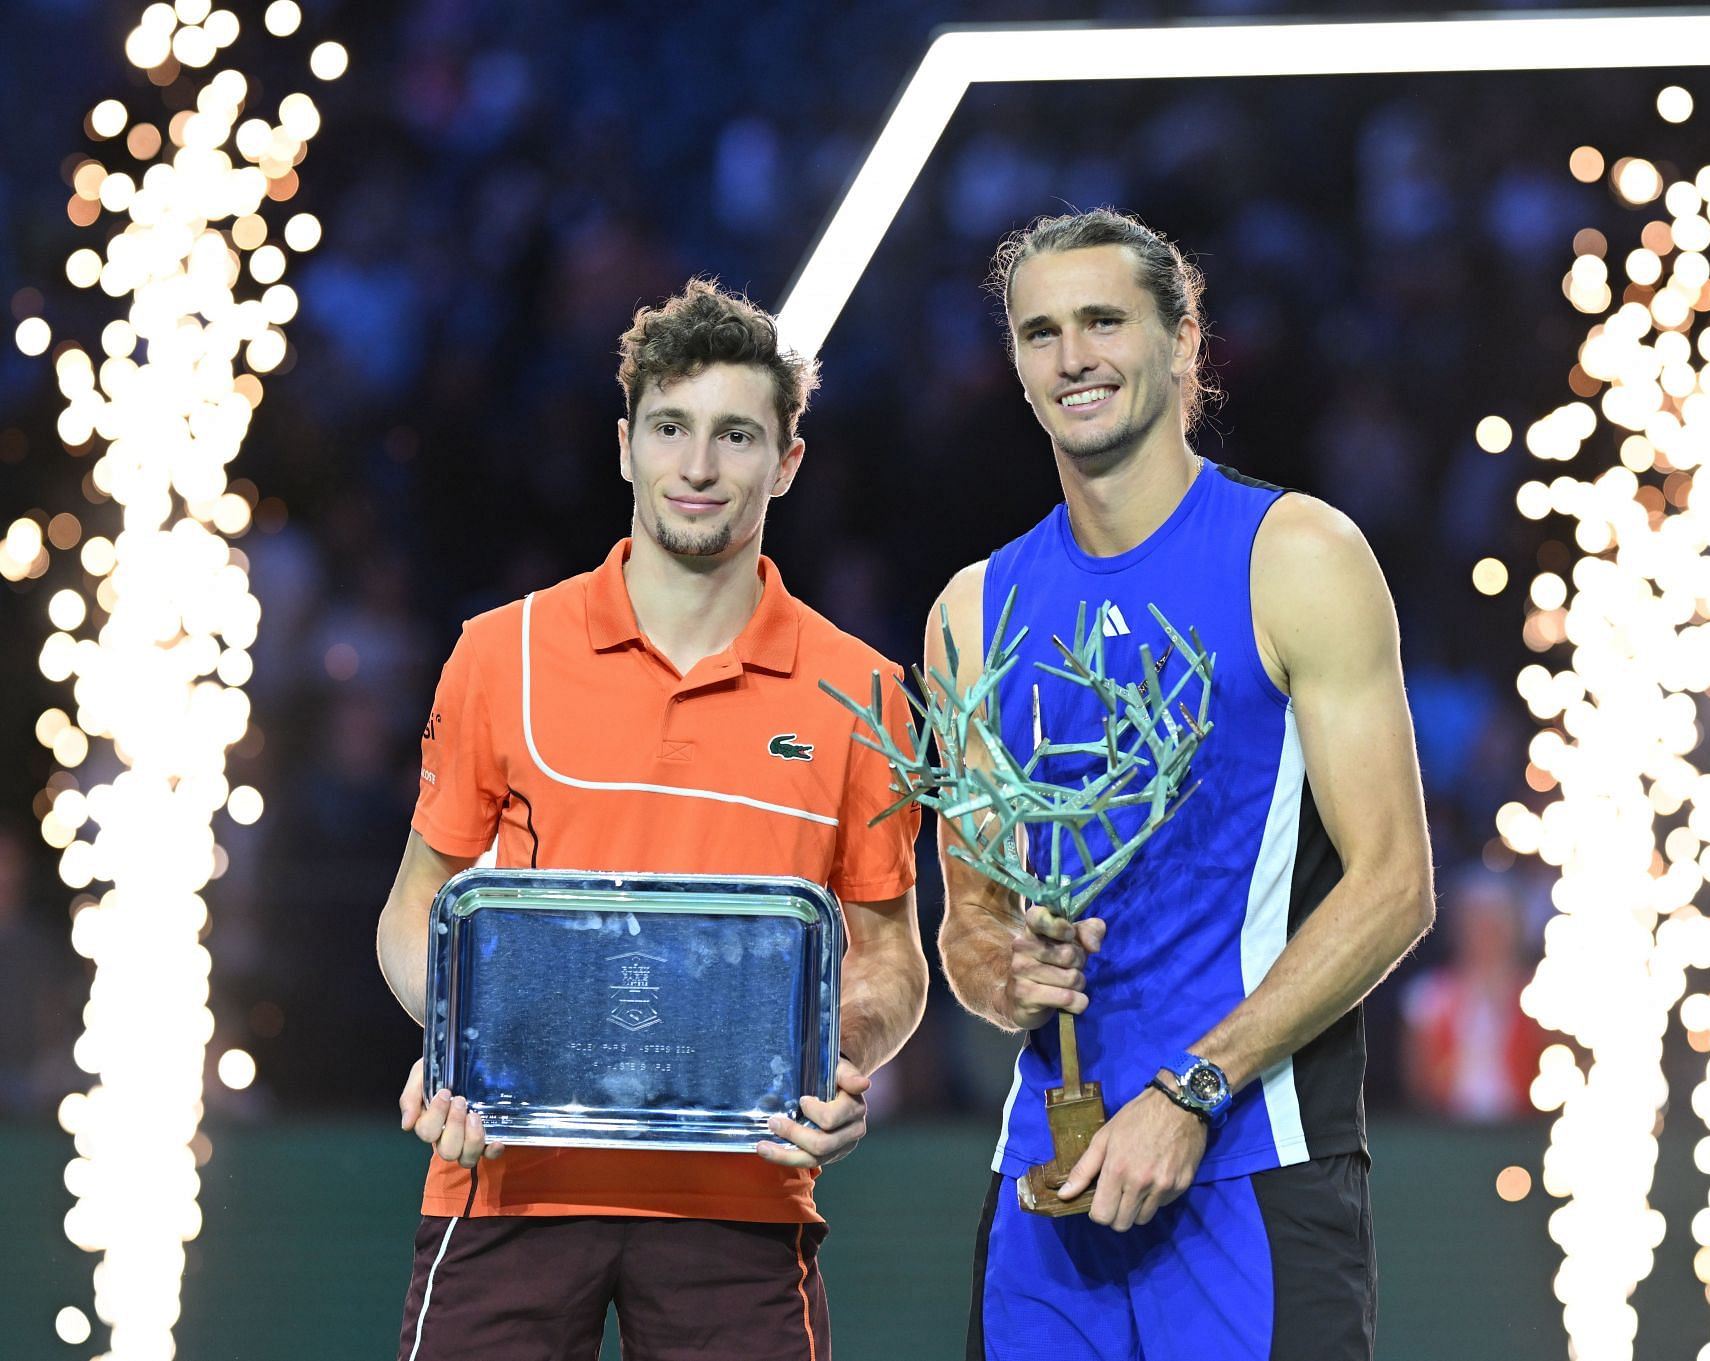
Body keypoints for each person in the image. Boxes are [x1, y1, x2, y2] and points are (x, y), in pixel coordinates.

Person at [374, 279, 927, 1361]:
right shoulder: (502, 652)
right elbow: (415, 908)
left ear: (788, 461)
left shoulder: (863, 690)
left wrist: (838, 1058)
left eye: (736, 435)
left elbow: (890, 961)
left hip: (744, 1198)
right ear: (626, 446)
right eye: (671, 428)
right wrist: (450, 1041)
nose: (700, 467)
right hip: (508, 1186)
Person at [931, 210, 1435, 1360]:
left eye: (1105, 320)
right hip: (1049, 1185)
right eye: (1040, 331)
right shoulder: (969, 612)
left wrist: (1192, 1086)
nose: (1074, 358)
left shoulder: (1295, 555)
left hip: (1250, 1162)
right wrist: (1009, 971)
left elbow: (1396, 884)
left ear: (1184, 339)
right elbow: (969, 925)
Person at [1400, 869, 1548, 1122]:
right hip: (1449, 1132)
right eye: (1476, 923)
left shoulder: (1543, 995)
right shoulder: (1428, 995)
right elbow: (1418, 1082)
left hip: (1525, 1131)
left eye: (1496, 924)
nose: (1486, 935)